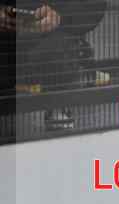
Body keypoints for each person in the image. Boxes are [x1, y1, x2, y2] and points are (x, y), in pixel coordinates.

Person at [0, 1, 107, 129]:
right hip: (18, 32)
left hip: (54, 41)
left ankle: (58, 104)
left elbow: (95, 5)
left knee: (54, 50)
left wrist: (60, 17)